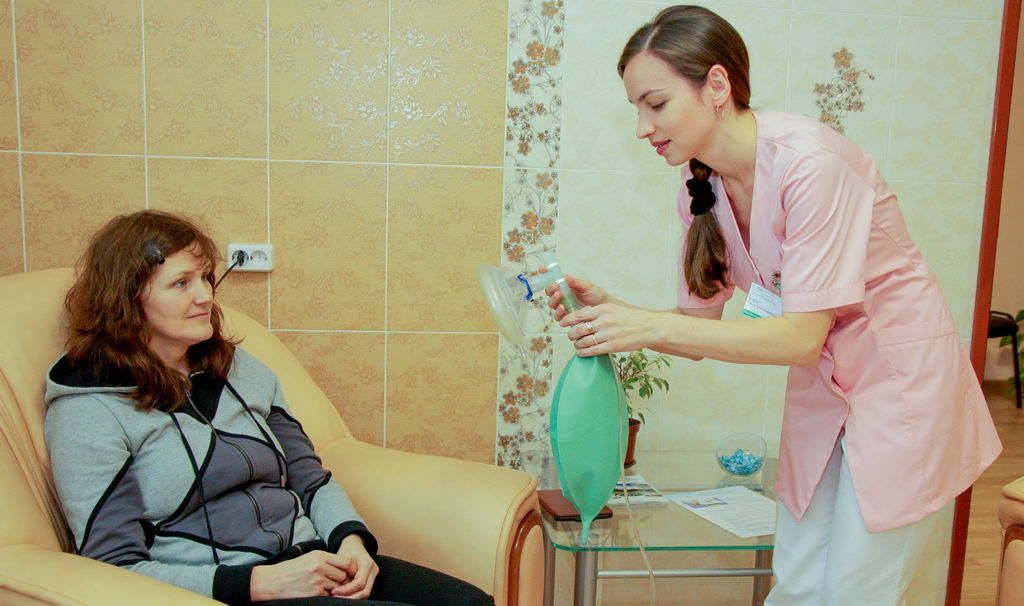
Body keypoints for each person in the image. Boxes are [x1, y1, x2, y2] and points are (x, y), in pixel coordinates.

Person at [544, 5, 1002, 604]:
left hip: (900, 385)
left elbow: (799, 338)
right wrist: (617, 312)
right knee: (799, 582)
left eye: (655, 104)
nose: (642, 128)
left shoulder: (812, 165)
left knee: (857, 592)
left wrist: (643, 326)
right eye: (636, 109)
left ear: (716, 86)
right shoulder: (700, 192)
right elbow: (697, 331)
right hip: (825, 387)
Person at [45, 210, 494, 606]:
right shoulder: (90, 410)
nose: (205, 296)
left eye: (205, 278)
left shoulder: (240, 368)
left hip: (311, 559)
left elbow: (307, 475)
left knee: (473, 604)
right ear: (126, 299)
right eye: (181, 283)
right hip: (227, 590)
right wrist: (260, 583)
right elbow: (116, 567)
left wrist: (350, 540)